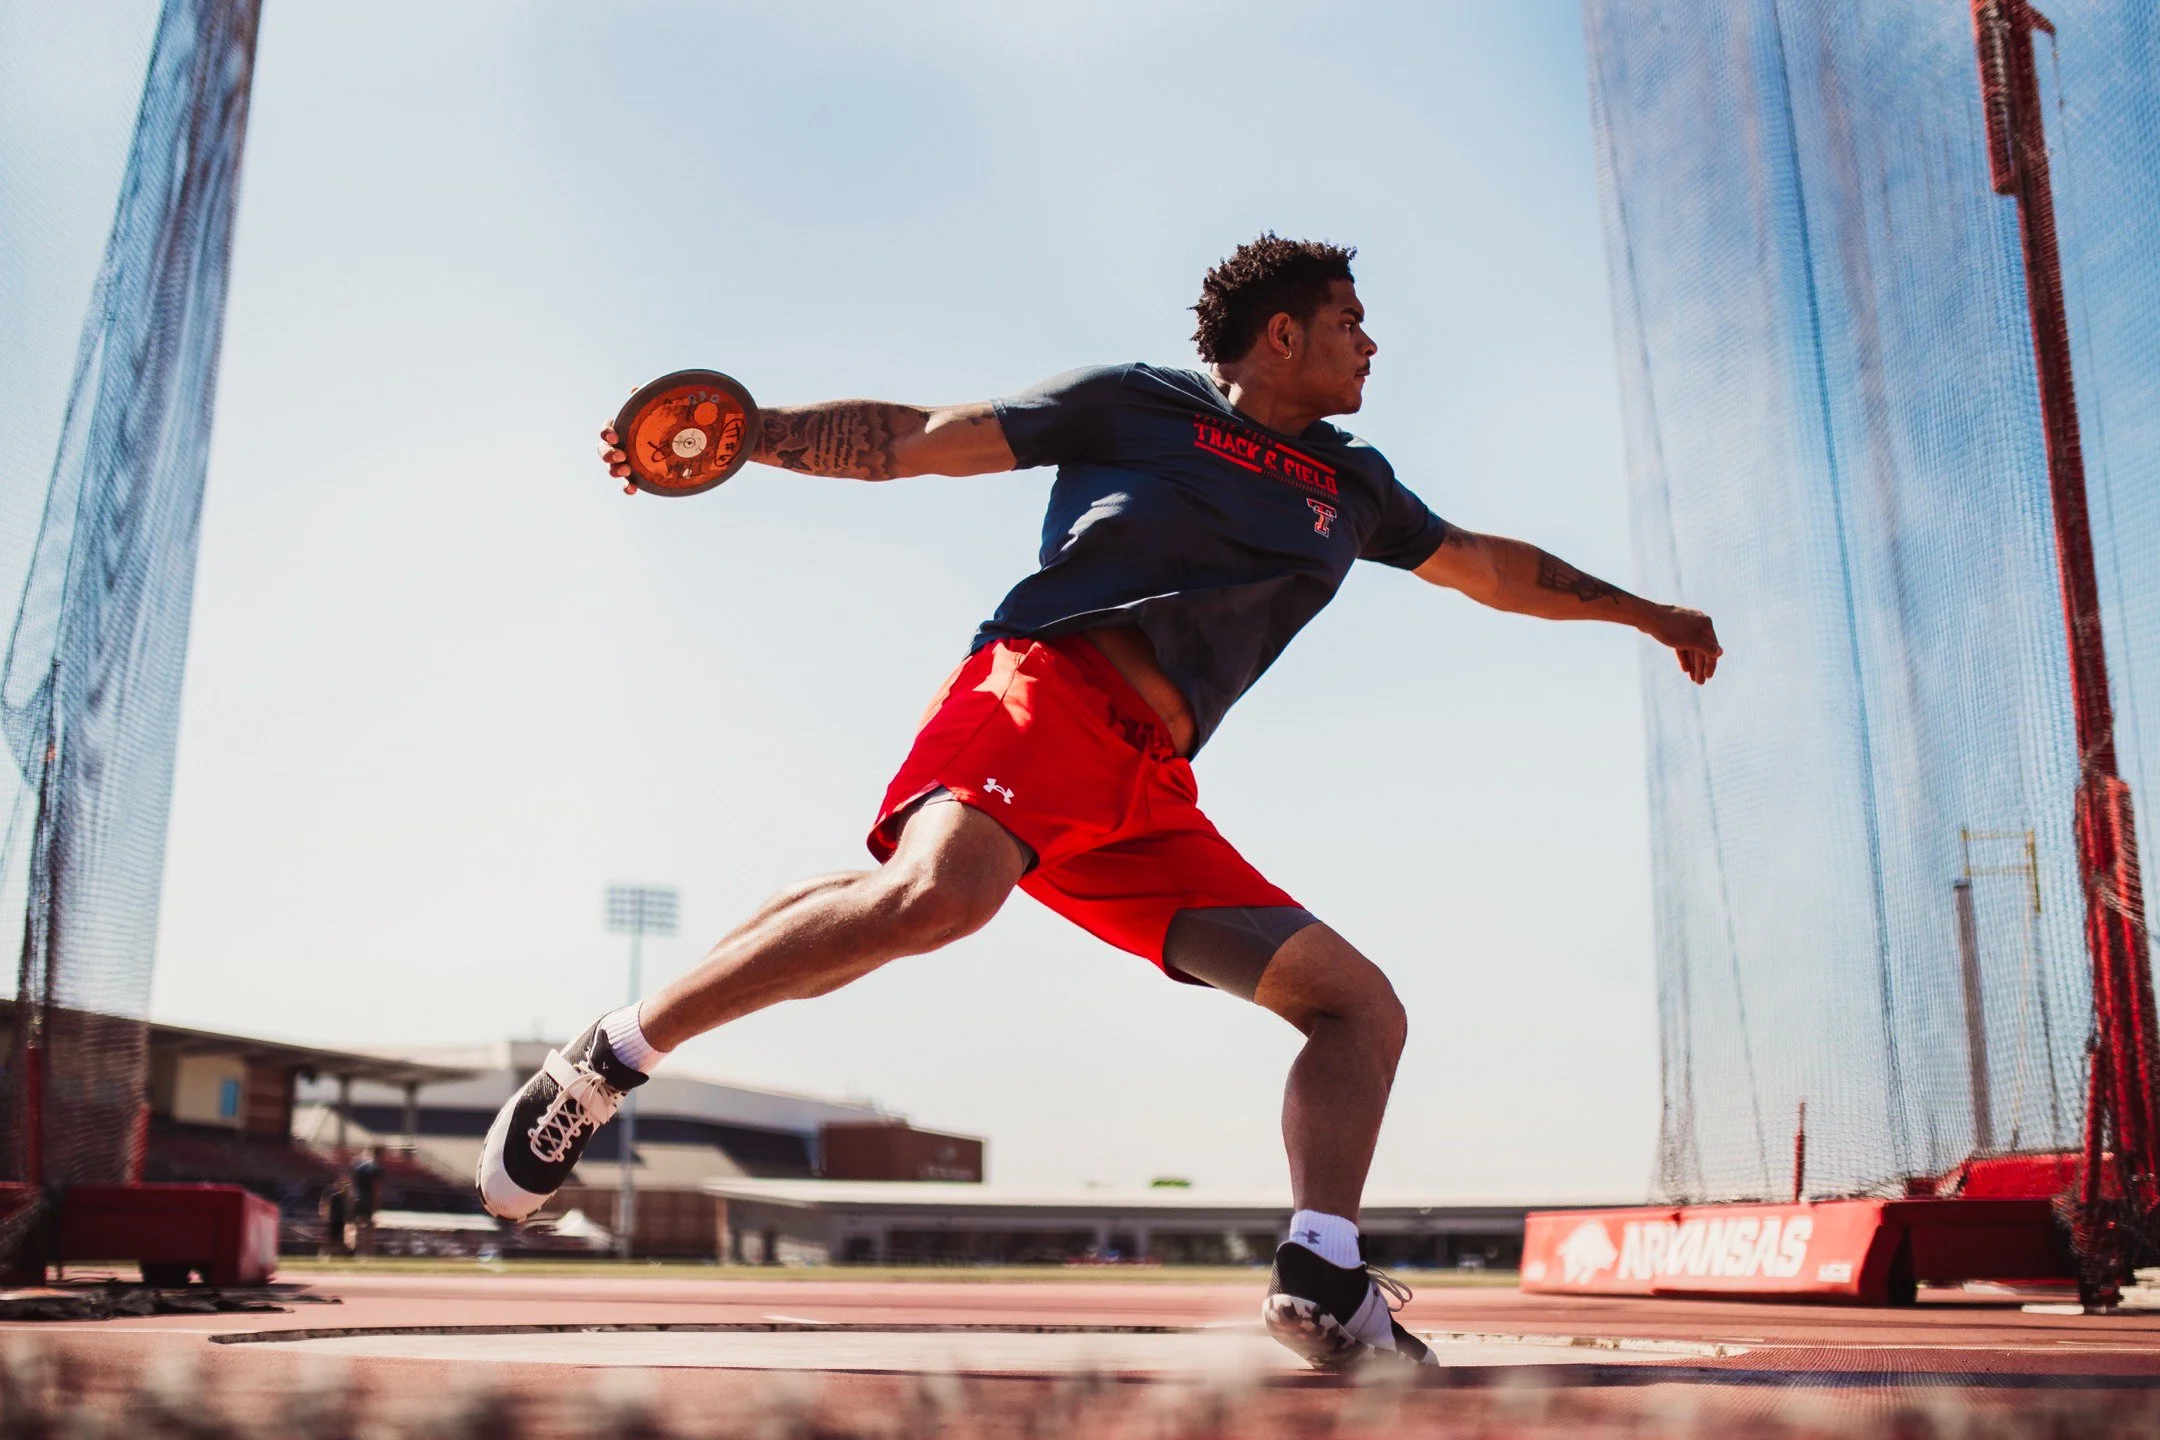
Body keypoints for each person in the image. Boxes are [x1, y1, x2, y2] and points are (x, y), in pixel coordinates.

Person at [476, 235, 1721, 1367]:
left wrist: (1644, 613)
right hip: (1046, 688)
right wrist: (752, 432)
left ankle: (1324, 1274)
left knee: (1358, 1010)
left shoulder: (1357, 486)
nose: (1372, 342)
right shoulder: (1135, 406)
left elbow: (1494, 570)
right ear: (1280, 335)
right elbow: (918, 436)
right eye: (1351, 320)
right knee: (934, 900)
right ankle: (608, 1059)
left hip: (1148, 791)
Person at [350, 1147, 382, 1258]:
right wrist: (377, 1205)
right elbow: (376, 1187)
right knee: (369, 1227)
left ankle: (358, 1252)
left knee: (358, 1226)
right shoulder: (375, 1168)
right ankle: (368, 1253)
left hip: (357, 1198)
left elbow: (352, 1181)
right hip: (368, 1198)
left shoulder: (358, 1165)